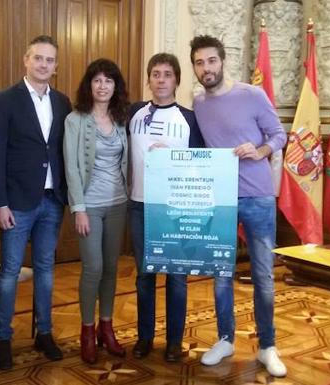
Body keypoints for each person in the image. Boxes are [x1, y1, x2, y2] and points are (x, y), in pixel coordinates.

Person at [190, 35, 287, 377]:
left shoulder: (252, 94)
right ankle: (225, 339)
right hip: (219, 199)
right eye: (200, 63)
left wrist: (259, 150)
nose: (206, 68)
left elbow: (279, 135)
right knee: (220, 276)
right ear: (195, 67)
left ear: (222, 60)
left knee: (263, 276)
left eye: (211, 61)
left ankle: (267, 346)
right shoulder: (198, 103)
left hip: (258, 196)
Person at [0, 35, 72, 370]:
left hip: (52, 201)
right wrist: (1, 203)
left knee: (47, 272)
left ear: (55, 65)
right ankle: (3, 338)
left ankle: (44, 333)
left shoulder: (63, 102)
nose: (44, 65)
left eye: (50, 60)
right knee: (9, 272)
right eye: (38, 58)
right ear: (26, 60)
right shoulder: (5, 100)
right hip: (17, 203)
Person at [128, 53, 205, 362]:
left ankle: (174, 341)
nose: (161, 80)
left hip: (176, 209)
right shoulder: (134, 113)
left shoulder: (189, 119)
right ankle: (145, 337)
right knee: (144, 275)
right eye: (156, 74)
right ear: (149, 79)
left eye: (167, 74)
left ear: (176, 80)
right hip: (139, 205)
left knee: (176, 276)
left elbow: (200, 165)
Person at [63, 59, 129, 364]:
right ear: (89, 85)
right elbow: (72, 168)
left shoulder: (121, 118)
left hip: (118, 203)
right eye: (97, 80)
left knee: (112, 268)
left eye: (109, 81)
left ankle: (107, 327)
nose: (103, 86)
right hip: (89, 205)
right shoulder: (75, 120)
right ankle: (87, 331)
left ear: (115, 86)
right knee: (93, 268)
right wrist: (78, 208)